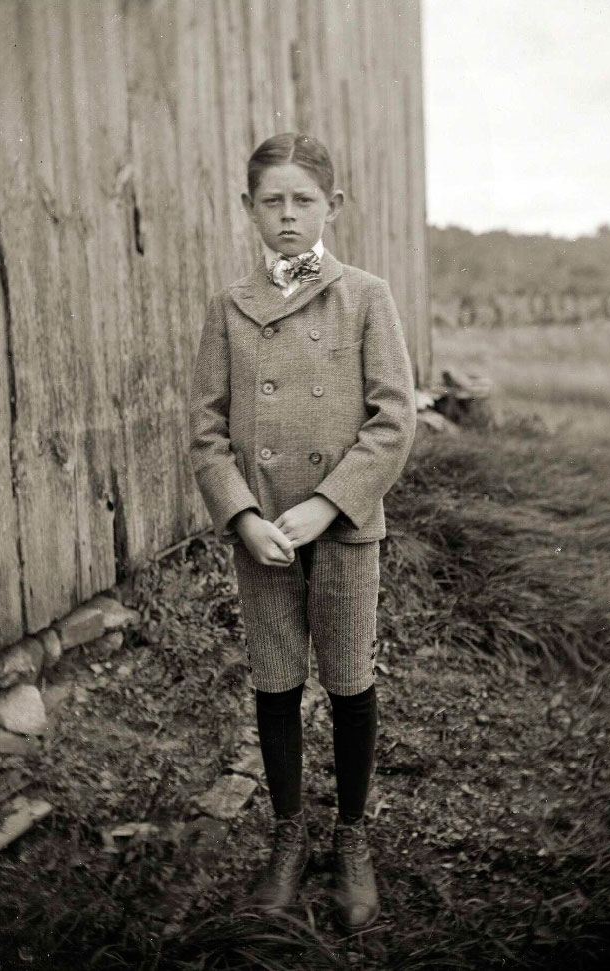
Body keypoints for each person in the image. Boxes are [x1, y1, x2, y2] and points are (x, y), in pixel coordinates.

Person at [189, 132, 416, 930]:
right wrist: (241, 513)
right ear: (248, 207)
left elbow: (393, 419)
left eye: (303, 200)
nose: (287, 215)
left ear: (332, 207)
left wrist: (331, 501)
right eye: (271, 200)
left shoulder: (364, 295)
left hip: (343, 524)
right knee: (276, 679)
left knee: (349, 678)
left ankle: (350, 837)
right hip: (265, 534)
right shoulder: (229, 306)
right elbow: (207, 430)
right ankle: (287, 836)